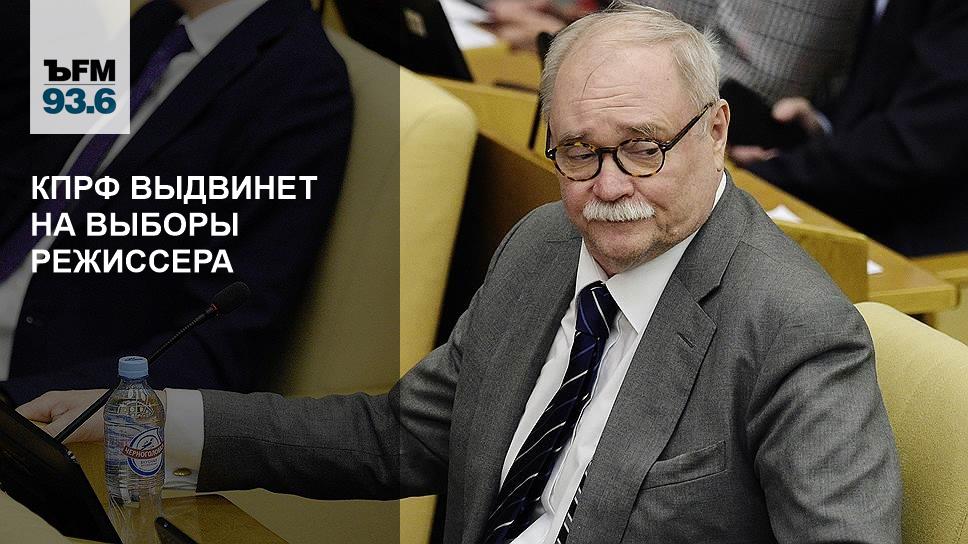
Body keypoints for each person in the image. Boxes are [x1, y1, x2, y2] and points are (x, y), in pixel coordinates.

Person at [21, 4, 901, 542]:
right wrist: (147, 423)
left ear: (715, 132)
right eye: (578, 153)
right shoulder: (542, 245)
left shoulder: (794, 329)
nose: (609, 190)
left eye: (643, 148)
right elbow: (396, 439)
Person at [0, 0, 352, 406]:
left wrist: (19, 403)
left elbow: (218, 345)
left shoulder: (302, 83)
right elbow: (31, 167)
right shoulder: (159, 20)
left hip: (41, 383)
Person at [732, 0, 968, 256]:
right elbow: (882, 89)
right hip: (864, 208)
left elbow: (914, 144)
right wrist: (821, 125)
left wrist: (770, 172)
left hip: (922, 245)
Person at [488, 0, 865, 103]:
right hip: (624, 111)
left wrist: (576, 41)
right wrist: (567, 16)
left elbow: (753, 85)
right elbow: (648, 15)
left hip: (733, 150)